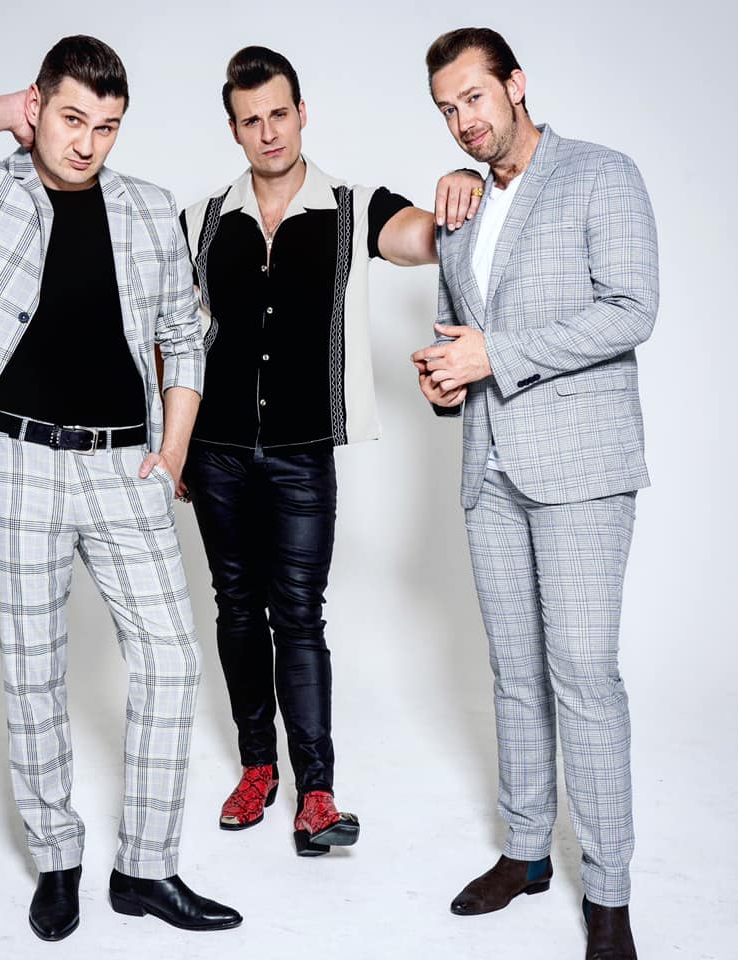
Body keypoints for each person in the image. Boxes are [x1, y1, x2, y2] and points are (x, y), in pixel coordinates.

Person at [0, 34, 241, 941]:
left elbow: (185, 335)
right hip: (17, 465)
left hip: (125, 464)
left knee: (172, 659)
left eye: (106, 127)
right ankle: (58, 860)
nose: (87, 142)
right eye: (71, 118)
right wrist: (6, 111)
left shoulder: (147, 208)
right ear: (40, 107)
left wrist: (172, 452)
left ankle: (146, 869)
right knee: (33, 671)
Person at [180, 45, 482, 856]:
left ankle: (316, 792)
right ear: (234, 129)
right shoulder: (200, 221)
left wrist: (462, 192)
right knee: (236, 607)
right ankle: (256, 767)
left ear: (302, 113)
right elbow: (170, 336)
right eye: (252, 120)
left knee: (298, 614)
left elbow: (421, 237)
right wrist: (172, 444)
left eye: (280, 113)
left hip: (302, 455)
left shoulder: (353, 208)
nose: (269, 132)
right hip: (214, 452)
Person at [412, 27, 657, 959]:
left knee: (583, 675)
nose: (463, 121)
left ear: (516, 85)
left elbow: (632, 307)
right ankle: (525, 852)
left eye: (474, 97)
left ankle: (610, 895)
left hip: (583, 467)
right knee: (513, 673)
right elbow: (461, 329)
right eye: (447, 108)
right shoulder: (463, 207)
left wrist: (496, 356)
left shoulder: (602, 174)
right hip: (490, 466)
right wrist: (447, 378)